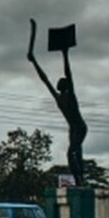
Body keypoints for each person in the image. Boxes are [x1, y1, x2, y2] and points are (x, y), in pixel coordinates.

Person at [27, 19, 88, 186]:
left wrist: (65, 54)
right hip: (72, 128)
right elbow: (45, 79)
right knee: (76, 153)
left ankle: (80, 180)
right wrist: (34, 62)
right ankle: (80, 180)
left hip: (80, 127)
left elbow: (68, 73)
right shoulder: (58, 97)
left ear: (65, 85)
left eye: (61, 81)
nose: (58, 82)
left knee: (72, 153)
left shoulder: (71, 95)